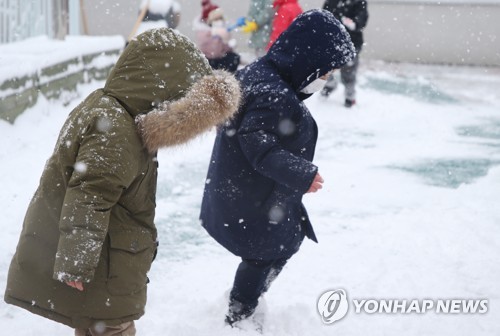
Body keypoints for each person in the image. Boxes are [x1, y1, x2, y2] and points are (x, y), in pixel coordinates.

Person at [4, 28, 240, 335]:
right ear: (161, 92)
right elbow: (90, 195)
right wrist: (77, 259)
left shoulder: (116, 113)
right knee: (111, 326)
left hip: (109, 256)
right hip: (104, 261)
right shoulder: (114, 127)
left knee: (93, 323)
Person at [199, 9, 355, 329]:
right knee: (262, 254)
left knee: (279, 246)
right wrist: (301, 173)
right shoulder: (272, 91)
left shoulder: (271, 77)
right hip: (252, 195)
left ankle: (249, 299)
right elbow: (257, 143)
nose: (326, 79)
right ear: (309, 61)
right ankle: (239, 314)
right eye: (325, 72)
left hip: (255, 190)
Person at [320, 0, 369, 107]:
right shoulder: (332, 1)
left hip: (352, 41)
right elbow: (324, 14)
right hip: (332, 39)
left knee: (348, 70)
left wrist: (354, 23)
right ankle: (330, 84)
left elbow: (362, 17)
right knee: (324, 65)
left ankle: (349, 95)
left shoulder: (359, 2)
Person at [194, 7, 241, 73]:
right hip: (208, 60)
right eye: (216, 19)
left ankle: (230, 74)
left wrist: (229, 44)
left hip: (220, 59)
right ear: (210, 21)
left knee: (234, 57)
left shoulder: (223, 31)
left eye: (220, 18)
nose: (219, 21)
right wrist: (215, 35)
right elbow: (210, 50)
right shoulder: (203, 32)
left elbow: (225, 49)